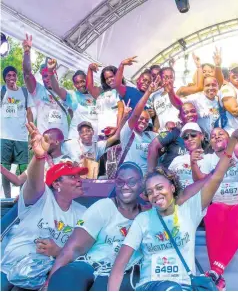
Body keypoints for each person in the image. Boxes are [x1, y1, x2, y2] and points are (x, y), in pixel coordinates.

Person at [107, 123, 238, 291]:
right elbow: (118, 268)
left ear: (172, 188)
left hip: (185, 286)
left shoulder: (189, 211)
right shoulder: (143, 220)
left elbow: (216, 177)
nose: (156, 194)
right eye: (150, 191)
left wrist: (231, 142)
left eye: (160, 188)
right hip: (152, 285)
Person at [1, 123, 87, 291]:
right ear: (56, 184)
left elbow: (84, 249)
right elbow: (33, 182)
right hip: (11, 268)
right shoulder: (41, 198)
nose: (79, 180)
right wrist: (39, 157)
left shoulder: (82, 213)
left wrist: (58, 251)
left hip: (42, 277)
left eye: (79, 176)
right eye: (72, 177)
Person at [46, 162, 149, 291]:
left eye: (132, 182)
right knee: (66, 276)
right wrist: (49, 283)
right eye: (120, 182)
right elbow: (72, 249)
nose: (125, 186)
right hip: (92, 265)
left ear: (141, 184)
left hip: (127, 272)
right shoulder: (103, 207)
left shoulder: (147, 216)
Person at [190, 127, 238, 290]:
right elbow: (201, 180)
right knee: (214, 210)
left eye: (221, 134)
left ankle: (215, 271)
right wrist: (196, 164)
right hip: (219, 205)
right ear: (211, 144)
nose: (216, 136)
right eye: (213, 136)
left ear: (230, 138)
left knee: (236, 213)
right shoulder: (207, 159)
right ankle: (217, 276)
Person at [22, 34, 71, 138]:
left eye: (49, 75)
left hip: (63, 142)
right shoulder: (38, 90)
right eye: (44, 76)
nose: (47, 78)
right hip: (45, 142)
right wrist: (27, 52)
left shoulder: (63, 92)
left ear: (55, 75)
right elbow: (27, 74)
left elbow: (74, 111)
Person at [1, 65, 35, 198]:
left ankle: (21, 197)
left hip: (21, 137)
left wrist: (32, 132)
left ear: (16, 77)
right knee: (4, 168)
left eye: (13, 75)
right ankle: (7, 198)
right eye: (8, 75)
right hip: (4, 137)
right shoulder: (1, 90)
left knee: (23, 168)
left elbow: (29, 112)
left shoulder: (24, 92)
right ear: (4, 78)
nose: (11, 77)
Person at [1, 128, 72, 187]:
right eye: (42, 140)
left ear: (56, 142)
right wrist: (1, 169)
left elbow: (59, 186)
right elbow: (18, 181)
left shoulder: (66, 160)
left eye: (46, 140)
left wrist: (50, 162)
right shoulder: (40, 161)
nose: (42, 143)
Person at [119, 78, 159, 174]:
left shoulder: (149, 135)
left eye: (146, 120)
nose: (143, 122)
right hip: (129, 178)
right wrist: (148, 92)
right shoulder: (128, 133)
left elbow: (162, 134)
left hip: (145, 181)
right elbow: (136, 114)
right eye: (141, 119)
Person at [86, 63, 125, 138]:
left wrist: (117, 130)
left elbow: (121, 110)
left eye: (111, 76)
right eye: (106, 78)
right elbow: (89, 88)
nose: (109, 80)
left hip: (114, 132)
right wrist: (90, 69)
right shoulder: (102, 94)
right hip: (101, 133)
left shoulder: (120, 90)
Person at [64, 70, 99, 141]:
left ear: (87, 80)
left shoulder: (95, 95)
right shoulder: (72, 95)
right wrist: (50, 72)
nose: (80, 85)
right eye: (77, 83)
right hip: (76, 139)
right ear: (74, 84)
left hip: (93, 140)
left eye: (82, 81)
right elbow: (57, 89)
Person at [168, 123, 207, 188]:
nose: (189, 139)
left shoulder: (209, 158)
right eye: (185, 137)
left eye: (193, 135)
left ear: (202, 136)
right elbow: (168, 180)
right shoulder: (177, 159)